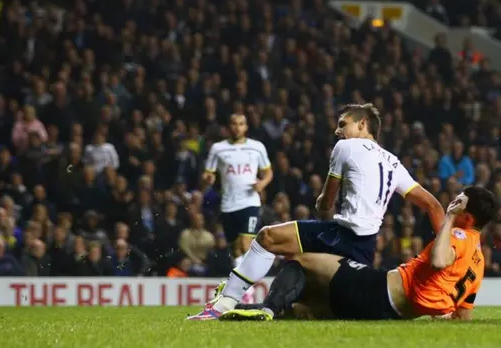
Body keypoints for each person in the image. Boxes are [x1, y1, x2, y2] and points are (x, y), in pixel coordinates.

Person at [187, 103, 444, 320]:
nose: (337, 130)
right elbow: (432, 204)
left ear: (362, 124)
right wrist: (446, 251)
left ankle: (226, 304)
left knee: (268, 238)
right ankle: (262, 309)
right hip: (365, 251)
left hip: (343, 235)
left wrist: (321, 203)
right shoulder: (393, 162)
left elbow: (325, 203)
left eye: (343, 124)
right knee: (304, 302)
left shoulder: (346, 147)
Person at [221, 187, 493, 321]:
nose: (453, 201)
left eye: (459, 201)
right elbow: (463, 316)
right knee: (306, 311)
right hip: (388, 313)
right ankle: (244, 312)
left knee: (303, 261)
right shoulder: (478, 263)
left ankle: (266, 308)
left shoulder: (457, 235)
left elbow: (439, 260)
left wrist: (448, 219)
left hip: (378, 289)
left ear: (467, 217)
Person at [202, 113, 273, 303]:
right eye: (233, 124)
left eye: (241, 124)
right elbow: (209, 172)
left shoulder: (257, 147)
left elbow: (268, 172)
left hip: (249, 202)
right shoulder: (218, 149)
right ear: (228, 127)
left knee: (244, 245)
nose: (237, 127)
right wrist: (209, 178)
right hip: (228, 205)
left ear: (246, 127)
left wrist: (262, 184)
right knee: (235, 251)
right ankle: (241, 290)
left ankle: (245, 293)